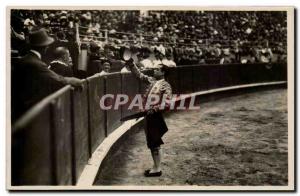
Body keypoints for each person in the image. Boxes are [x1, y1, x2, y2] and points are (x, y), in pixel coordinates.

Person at [12, 28, 83, 121]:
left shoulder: (27, 59)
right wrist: (74, 80)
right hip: (25, 111)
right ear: (44, 47)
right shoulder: (35, 63)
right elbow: (56, 79)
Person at [126, 58, 172, 177]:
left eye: (157, 69)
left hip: (155, 116)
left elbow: (167, 103)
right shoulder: (152, 81)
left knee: (154, 142)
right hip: (148, 115)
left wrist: (154, 108)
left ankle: (157, 169)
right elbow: (139, 76)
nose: (154, 71)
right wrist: (131, 64)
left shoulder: (166, 85)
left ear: (163, 72)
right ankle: (156, 167)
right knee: (152, 142)